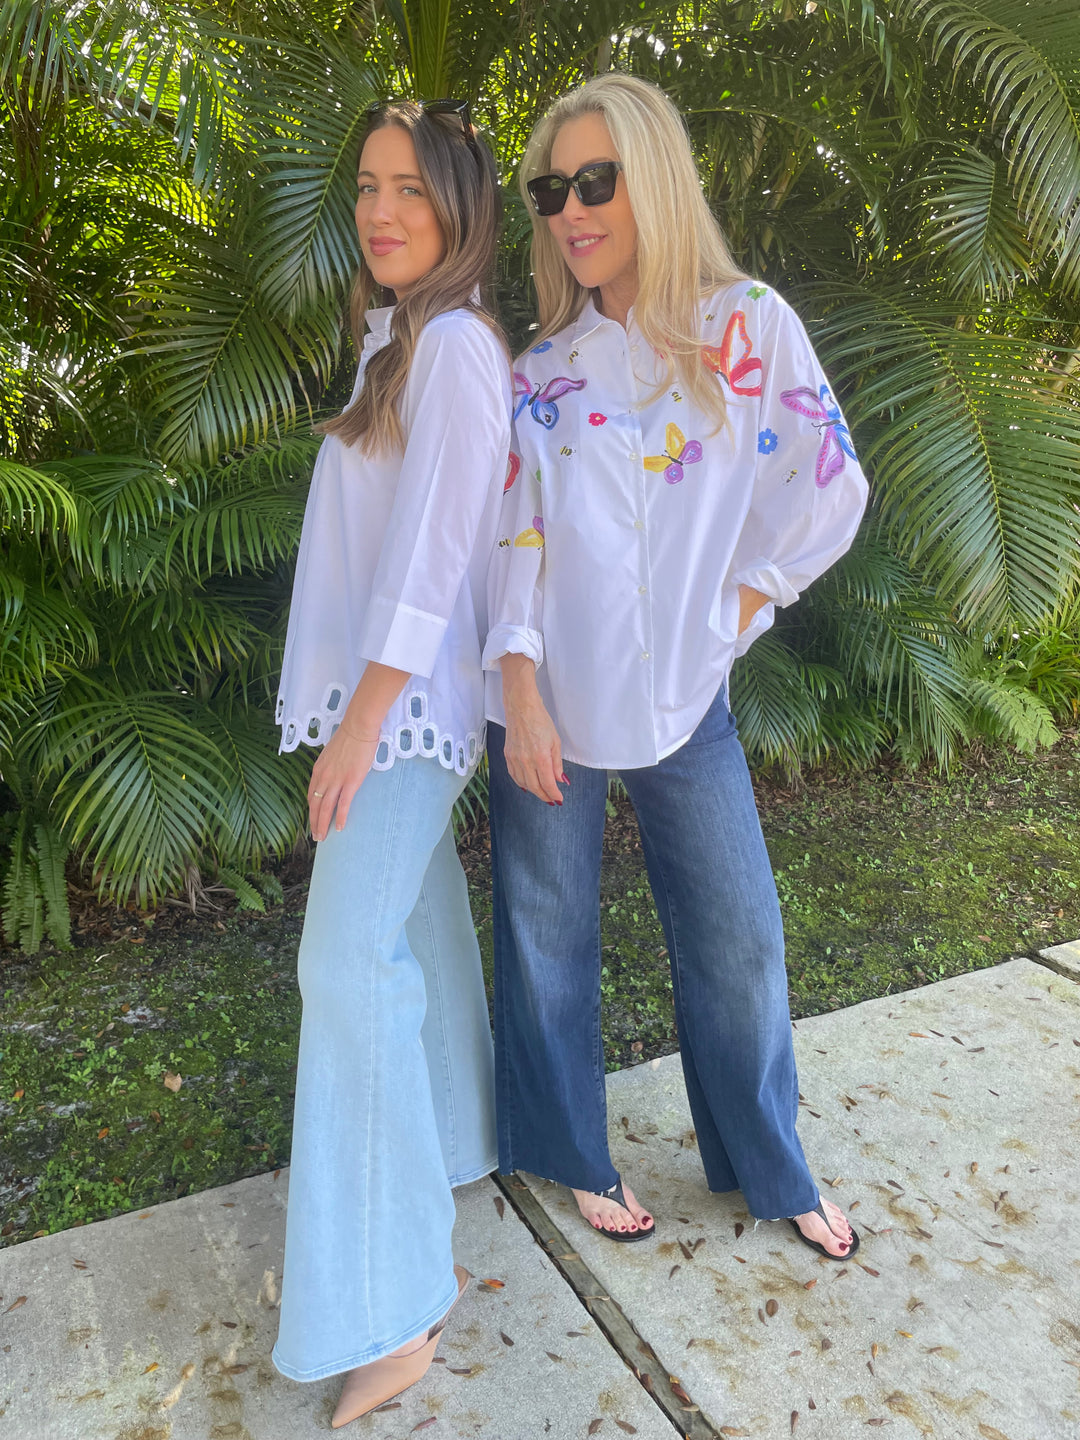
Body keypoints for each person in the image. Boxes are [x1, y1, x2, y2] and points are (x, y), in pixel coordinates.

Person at [483, 73, 868, 1258]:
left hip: (685, 700)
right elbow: (515, 540)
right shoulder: (543, 371)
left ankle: (768, 1160)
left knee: (740, 937)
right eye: (553, 189)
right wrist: (519, 693)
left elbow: (827, 485)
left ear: (653, 177)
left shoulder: (750, 327)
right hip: (549, 707)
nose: (571, 209)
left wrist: (736, 613)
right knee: (546, 934)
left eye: (595, 180)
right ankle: (568, 1149)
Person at [271, 99, 508, 1426]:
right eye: (366, 184)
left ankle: (393, 1298)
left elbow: (429, 561)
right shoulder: (394, 344)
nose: (381, 208)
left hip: (407, 717)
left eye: (410, 186)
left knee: (345, 964)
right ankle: (431, 1198)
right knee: (405, 940)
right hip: (389, 709)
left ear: (462, 205)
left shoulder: (460, 349)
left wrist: (360, 723)